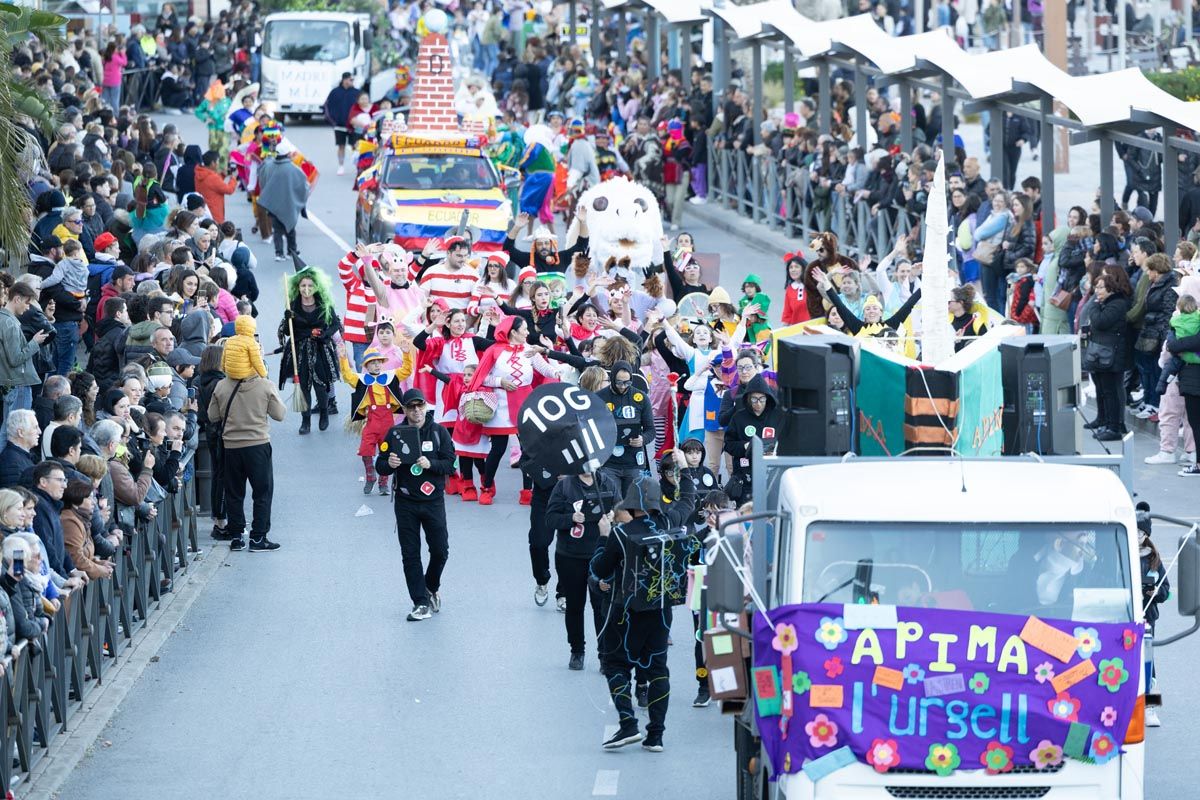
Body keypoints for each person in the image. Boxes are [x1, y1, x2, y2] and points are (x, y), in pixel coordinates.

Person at [591, 460, 694, 753]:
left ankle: (628, 723)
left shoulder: (621, 534)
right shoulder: (671, 521)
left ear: (633, 504)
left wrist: (602, 537)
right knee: (658, 669)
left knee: (616, 664)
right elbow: (688, 499)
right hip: (662, 611)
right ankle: (656, 735)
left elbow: (600, 569)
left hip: (626, 612)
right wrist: (684, 471)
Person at [376, 388, 455, 622]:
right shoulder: (395, 433)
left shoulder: (439, 432)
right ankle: (420, 602)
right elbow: (380, 463)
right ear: (405, 410)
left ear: (426, 407)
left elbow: (451, 464)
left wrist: (430, 464)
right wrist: (389, 463)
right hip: (405, 501)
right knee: (410, 554)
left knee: (440, 550)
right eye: (411, 407)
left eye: (420, 406)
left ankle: (430, 586)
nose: (416, 411)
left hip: (433, 502)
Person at [207, 347, 286, 552]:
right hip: (257, 444)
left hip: (231, 446)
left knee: (234, 492)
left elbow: (212, 416)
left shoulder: (221, 386)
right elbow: (279, 414)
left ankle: (236, 536)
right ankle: (258, 537)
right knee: (262, 491)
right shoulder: (264, 385)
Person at [546, 468, 621, 670]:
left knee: (601, 607)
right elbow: (550, 518)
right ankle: (577, 650)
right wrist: (571, 518)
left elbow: (623, 512)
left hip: (601, 555)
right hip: (570, 556)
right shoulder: (564, 486)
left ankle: (604, 654)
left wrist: (615, 514)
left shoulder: (608, 483)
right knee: (575, 606)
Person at [279, 269, 342, 434]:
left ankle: (323, 412)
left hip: (321, 350)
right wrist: (287, 319)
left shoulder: (324, 304)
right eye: (303, 285)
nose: (306, 289)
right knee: (304, 387)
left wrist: (324, 335)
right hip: (300, 352)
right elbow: (287, 332)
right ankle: (305, 421)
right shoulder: (292, 304)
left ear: (316, 287)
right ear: (298, 287)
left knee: (321, 387)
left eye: (309, 285)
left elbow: (335, 324)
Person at [347, 348, 409, 495]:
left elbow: (406, 370)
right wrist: (343, 358)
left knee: (386, 452)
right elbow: (347, 376)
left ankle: (383, 483)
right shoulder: (362, 380)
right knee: (365, 450)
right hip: (371, 422)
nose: (376, 365)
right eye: (372, 363)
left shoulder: (390, 376)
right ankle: (370, 476)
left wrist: (406, 354)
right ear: (366, 366)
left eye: (378, 362)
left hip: (387, 423)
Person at [1084, 269, 1133, 441]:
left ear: (1110, 289)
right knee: (1104, 389)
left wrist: (1095, 306)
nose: (1097, 291)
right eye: (1096, 287)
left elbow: (1100, 322)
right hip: (1102, 353)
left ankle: (1114, 428)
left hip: (1111, 354)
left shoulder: (1117, 304)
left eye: (1101, 287)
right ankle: (1106, 422)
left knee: (1111, 390)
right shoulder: (1106, 303)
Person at [0, 283, 50, 445]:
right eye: (27, 303)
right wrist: (34, 342)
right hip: (18, 384)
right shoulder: (10, 324)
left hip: (11, 383)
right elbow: (15, 359)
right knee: (15, 433)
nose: (28, 308)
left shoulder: (4, 319)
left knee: (8, 430)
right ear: (17, 299)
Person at [597, 361, 655, 496]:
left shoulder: (641, 398)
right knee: (613, 503)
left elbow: (651, 430)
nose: (623, 386)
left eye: (627, 383)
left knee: (632, 504)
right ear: (612, 379)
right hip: (609, 462)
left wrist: (643, 439)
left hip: (634, 461)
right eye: (619, 382)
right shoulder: (600, 397)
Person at [257, 142, 308, 262]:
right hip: (289, 204)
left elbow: (262, 179)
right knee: (290, 228)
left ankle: (279, 253)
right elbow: (303, 185)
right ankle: (292, 251)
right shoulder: (293, 169)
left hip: (273, 203)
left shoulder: (268, 166)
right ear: (288, 154)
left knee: (277, 230)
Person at [323, 72, 360, 176]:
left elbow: (362, 107)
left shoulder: (357, 92)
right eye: (350, 80)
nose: (352, 82)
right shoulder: (334, 92)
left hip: (354, 125)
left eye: (353, 80)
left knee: (355, 147)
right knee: (341, 146)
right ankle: (341, 166)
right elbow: (327, 107)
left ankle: (357, 166)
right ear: (344, 80)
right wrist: (333, 121)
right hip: (339, 125)